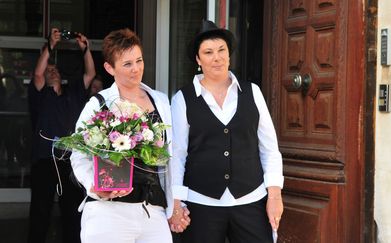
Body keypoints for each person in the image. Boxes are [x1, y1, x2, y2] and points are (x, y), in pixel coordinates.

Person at [70, 28, 190, 243]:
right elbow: (78, 154)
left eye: (139, 60)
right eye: (127, 64)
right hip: (108, 212)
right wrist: (94, 186)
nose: (136, 69)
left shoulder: (160, 101)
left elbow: (175, 155)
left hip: (152, 210)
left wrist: (176, 203)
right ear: (109, 68)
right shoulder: (99, 103)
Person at [170, 20, 284, 243]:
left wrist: (275, 195)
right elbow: (177, 154)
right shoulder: (182, 99)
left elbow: (270, 148)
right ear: (198, 59)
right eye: (209, 52)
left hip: (251, 199)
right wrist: (176, 203)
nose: (217, 57)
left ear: (229, 55)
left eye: (222, 50)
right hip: (201, 203)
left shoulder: (253, 92)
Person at [27, 27, 96, 243]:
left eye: (55, 70)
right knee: (40, 212)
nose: (52, 71)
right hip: (45, 160)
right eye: (49, 70)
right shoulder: (40, 95)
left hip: (71, 161)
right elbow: (38, 73)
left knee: (72, 213)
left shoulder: (74, 93)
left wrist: (85, 50)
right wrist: (50, 46)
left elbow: (90, 74)